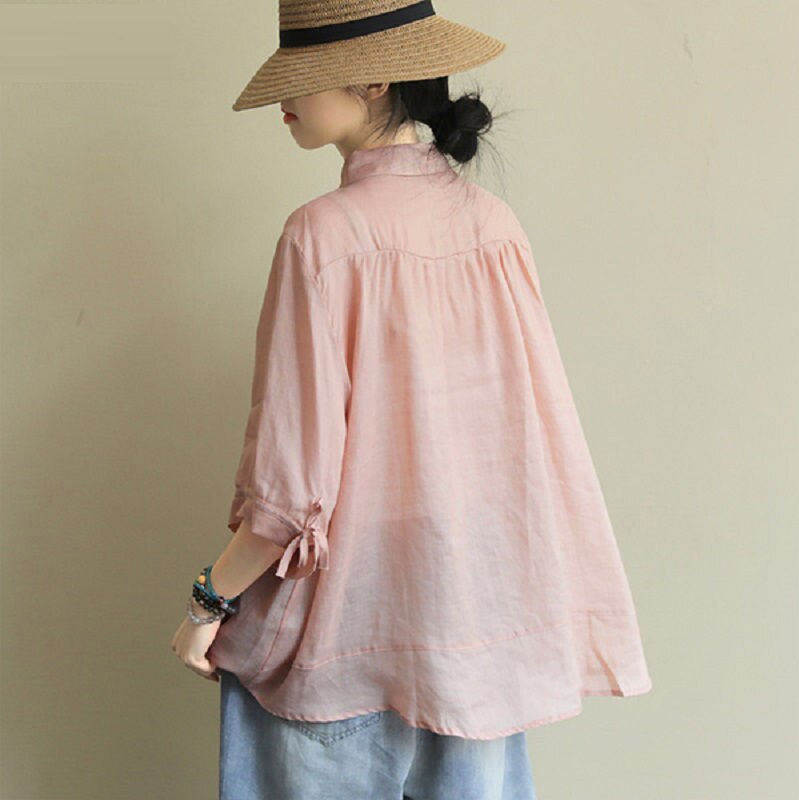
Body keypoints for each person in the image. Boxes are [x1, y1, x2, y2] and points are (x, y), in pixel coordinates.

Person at [170, 2, 653, 798]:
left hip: (343, 635)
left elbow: (289, 495)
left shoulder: (321, 236)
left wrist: (208, 600)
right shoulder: (494, 226)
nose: (283, 98)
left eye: (302, 75)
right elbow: (527, 445)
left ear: (373, 79)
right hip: (475, 628)